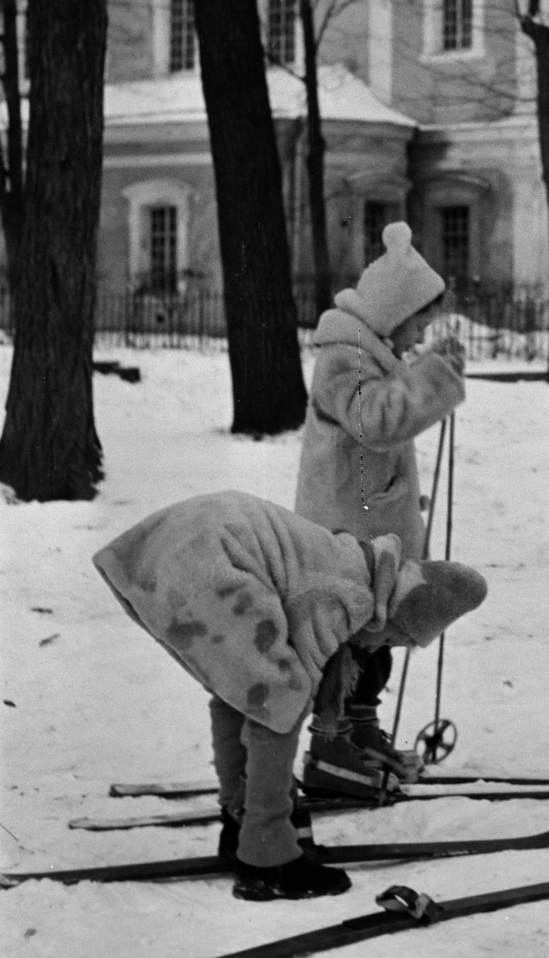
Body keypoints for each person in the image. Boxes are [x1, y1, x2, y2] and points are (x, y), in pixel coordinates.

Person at [93, 489, 486, 901]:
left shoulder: (355, 566)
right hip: (213, 554)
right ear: (398, 613)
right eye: (395, 639)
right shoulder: (348, 595)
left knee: (243, 693)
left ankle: (242, 822)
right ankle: (267, 857)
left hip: (178, 548)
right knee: (281, 699)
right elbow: (287, 698)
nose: (376, 648)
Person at [294, 220, 466, 798]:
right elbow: (376, 422)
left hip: (371, 531)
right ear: (394, 313)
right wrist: (431, 381)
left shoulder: (372, 359)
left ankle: (360, 731)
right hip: (343, 535)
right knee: (346, 641)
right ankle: (329, 742)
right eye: (417, 321)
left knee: (373, 642)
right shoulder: (344, 362)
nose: (419, 335)